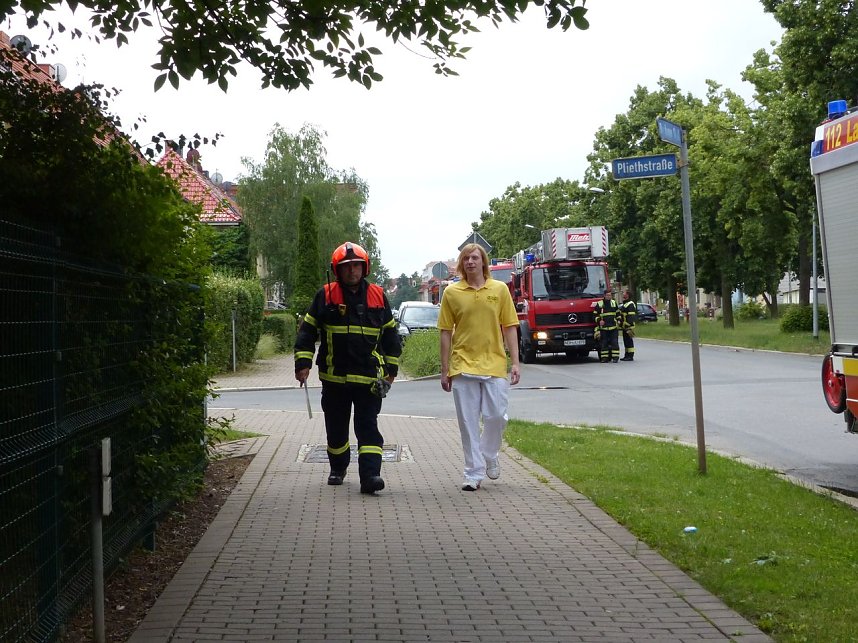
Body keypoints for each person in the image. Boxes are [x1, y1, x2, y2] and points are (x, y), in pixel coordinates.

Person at [294, 242, 401, 495]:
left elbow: (390, 337)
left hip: (368, 379)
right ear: (337, 270)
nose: (352, 271)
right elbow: (307, 331)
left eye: (356, 266)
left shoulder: (377, 295)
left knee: (368, 428)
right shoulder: (326, 295)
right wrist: (303, 364)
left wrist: (391, 372)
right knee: (336, 427)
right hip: (334, 379)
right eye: (346, 267)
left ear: (364, 268)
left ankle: (371, 476)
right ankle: (338, 468)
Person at [438, 243, 521, 491]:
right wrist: (445, 369)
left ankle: (489, 452)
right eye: (466, 259)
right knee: (468, 422)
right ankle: (473, 473)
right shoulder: (452, 293)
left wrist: (515, 362)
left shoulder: (499, 290)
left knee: (496, 416)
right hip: (462, 365)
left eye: (475, 257)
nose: (470, 262)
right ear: (462, 264)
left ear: (483, 262)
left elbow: (509, 326)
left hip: (494, 363)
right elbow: (444, 332)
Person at [594, 286, 620, 363]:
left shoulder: (614, 302)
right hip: (604, 328)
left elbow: (618, 313)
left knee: (614, 343)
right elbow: (594, 315)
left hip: (613, 327)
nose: (609, 297)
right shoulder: (599, 304)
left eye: (610, 295)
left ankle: (615, 357)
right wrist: (599, 321)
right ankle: (604, 358)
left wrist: (618, 320)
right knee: (604, 343)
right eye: (608, 295)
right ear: (604, 295)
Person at [619, 289, 637, 361]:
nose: (623, 294)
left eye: (624, 293)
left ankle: (630, 356)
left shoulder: (630, 304)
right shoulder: (625, 303)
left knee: (629, 341)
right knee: (626, 341)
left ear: (627, 295)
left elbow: (631, 316)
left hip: (628, 326)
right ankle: (627, 355)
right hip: (624, 325)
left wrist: (628, 325)